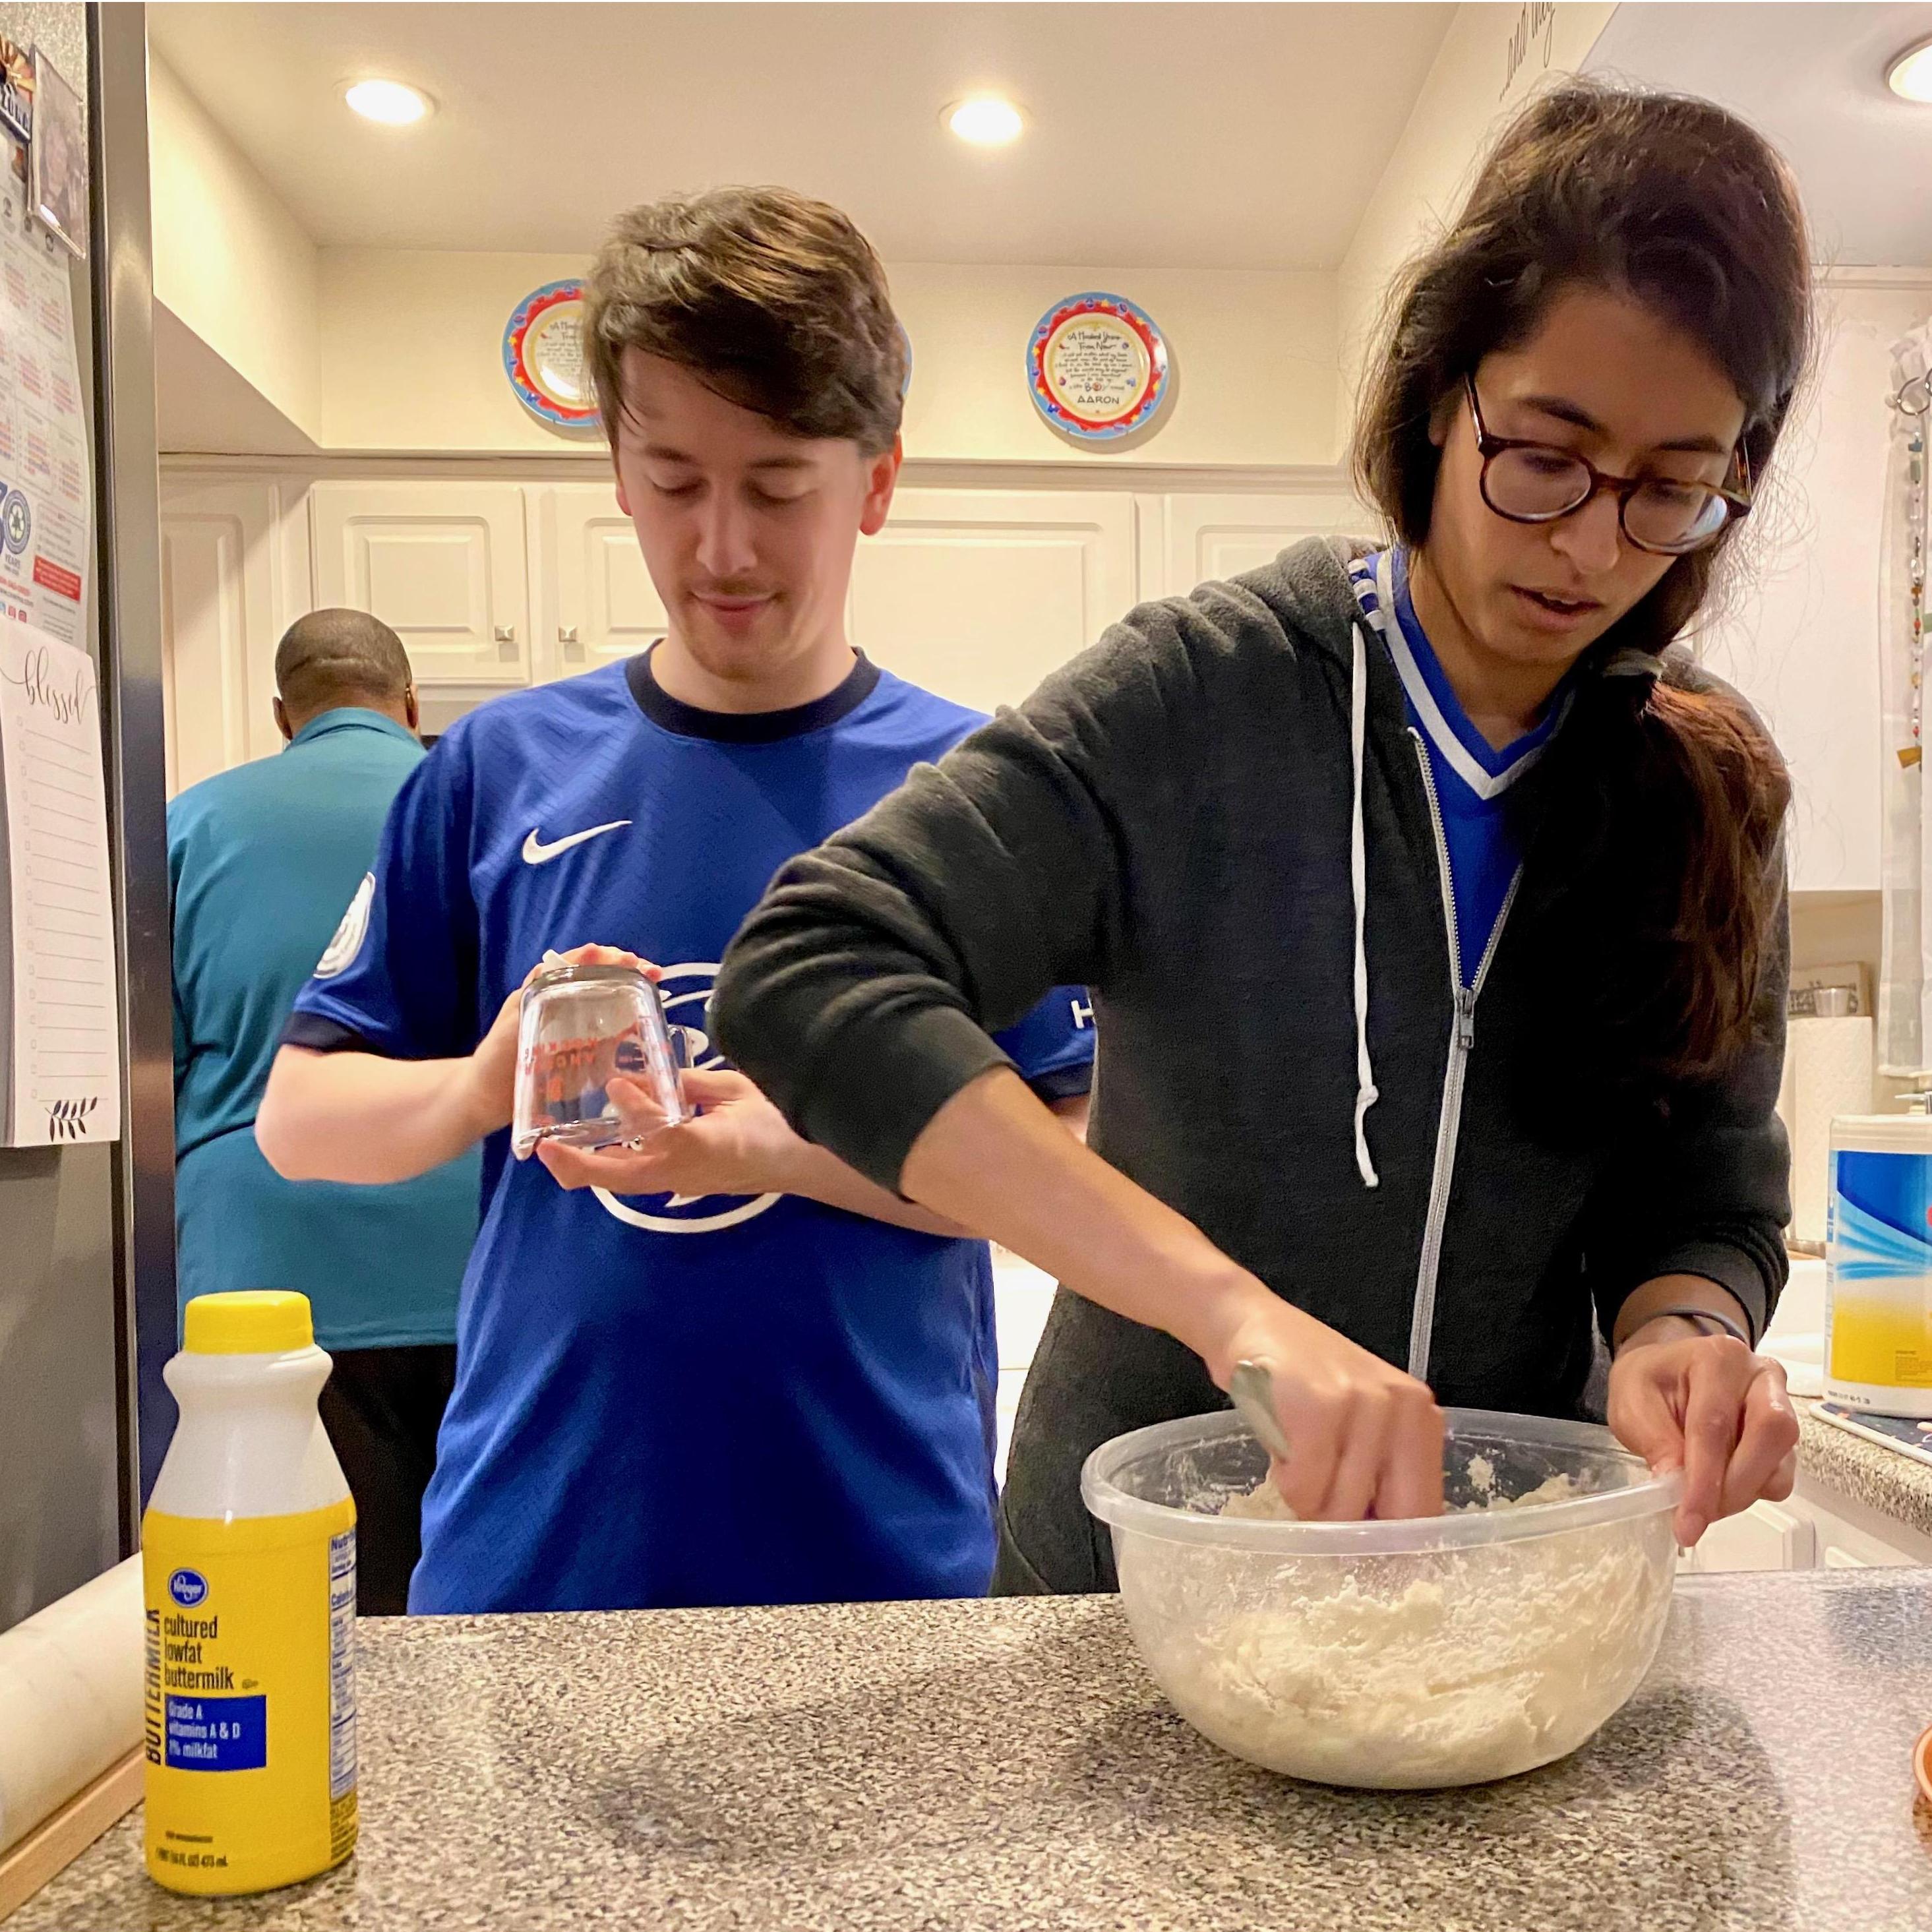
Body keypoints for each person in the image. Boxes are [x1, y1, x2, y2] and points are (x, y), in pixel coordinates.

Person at [713, 82, 1809, 1591]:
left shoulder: (1703, 781)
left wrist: (1682, 1333)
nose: (1591, 544)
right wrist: (1231, 1312)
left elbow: (1708, 1197)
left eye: (1672, 488)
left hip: (1506, 1588)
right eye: (1545, 454)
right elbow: (812, 969)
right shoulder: (1198, 698)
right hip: (1133, 1601)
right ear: (1442, 394)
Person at [255, 187, 1094, 1615]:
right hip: (536, 1558)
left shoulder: (976, 785)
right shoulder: (494, 768)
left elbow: (1065, 1171)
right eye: (675, 480)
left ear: (876, 482)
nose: (722, 549)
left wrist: (783, 1149)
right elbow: (297, 1122)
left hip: (880, 1564)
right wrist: (481, 1086)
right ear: (618, 471)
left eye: (777, 486)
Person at [169, 609, 479, 1614]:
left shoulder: (191, 824)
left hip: (262, 1273)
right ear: (410, 704)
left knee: (296, 1609)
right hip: (476, 1252)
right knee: (480, 1597)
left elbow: (155, 1065)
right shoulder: (483, 809)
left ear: (281, 716)